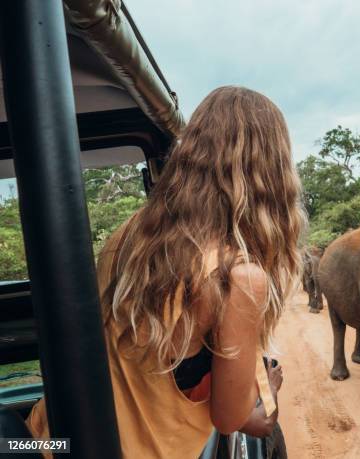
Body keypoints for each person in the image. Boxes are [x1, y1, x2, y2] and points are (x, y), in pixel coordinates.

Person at [26, 86, 305, 458]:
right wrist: (267, 391)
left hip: (48, 438)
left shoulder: (128, 235)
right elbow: (232, 419)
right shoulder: (237, 277)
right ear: (272, 175)